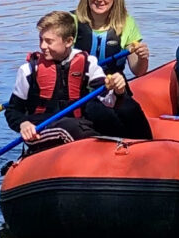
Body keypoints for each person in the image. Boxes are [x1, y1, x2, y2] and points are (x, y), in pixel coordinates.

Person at [73, 0, 154, 139]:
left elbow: (138, 70)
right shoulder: (71, 22)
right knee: (102, 115)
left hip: (115, 89)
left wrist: (142, 57)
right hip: (81, 93)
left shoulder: (126, 23)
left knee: (132, 112)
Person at [6, 11, 107, 148]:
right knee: (68, 127)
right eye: (41, 40)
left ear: (68, 41)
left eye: (49, 41)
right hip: (40, 129)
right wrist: (23, 124)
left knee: (117, 112)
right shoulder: (28, 70)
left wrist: (117, 89)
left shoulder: (88, 63)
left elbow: (107, 98)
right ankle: (97, 149)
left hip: (79, 124)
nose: (42, 46)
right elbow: (12, 111)